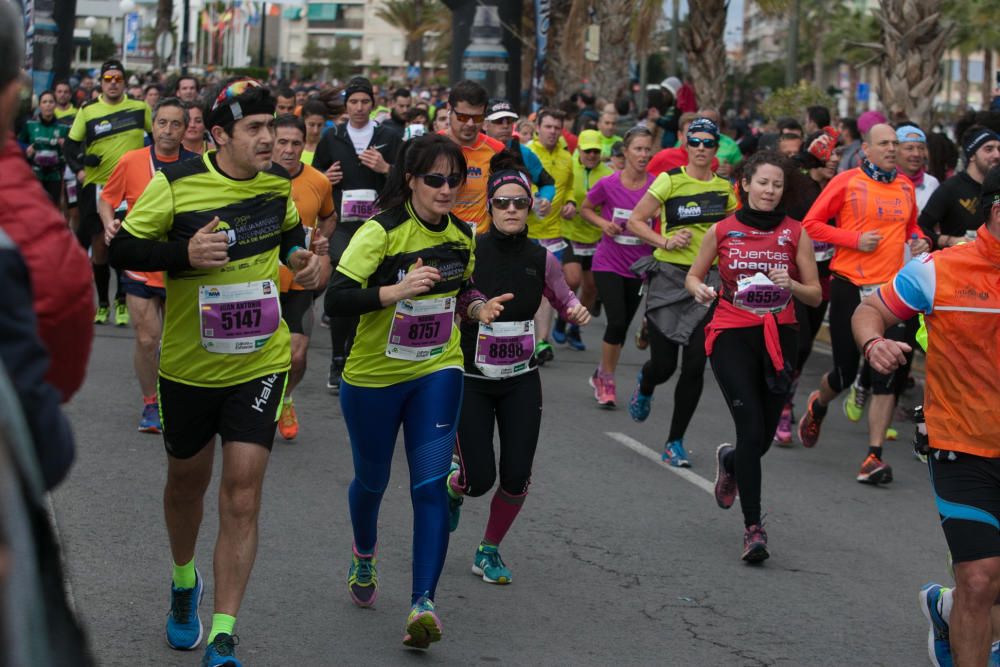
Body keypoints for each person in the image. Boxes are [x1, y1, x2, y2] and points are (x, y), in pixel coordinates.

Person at [108, 78, 323, 667]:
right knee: (186, 482)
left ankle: (225, 633)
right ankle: (184, 582)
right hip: (188, 368)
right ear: (221, 135)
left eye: (272, 127)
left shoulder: (280, 189)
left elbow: (292, 248)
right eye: (254, 129)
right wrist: (181, 256)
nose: (269, 139)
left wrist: (306, 265)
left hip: (259, 361)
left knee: (244, 490)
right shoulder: (174, 186)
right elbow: (121, 251)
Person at [325, 133, 510, 649]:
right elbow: (336, 300)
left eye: (456, 178)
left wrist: (475, 308)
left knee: (430, 485)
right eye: (435, 179)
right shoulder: (379, 234)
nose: (447, 188)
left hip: (437, 368)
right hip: (373, 379)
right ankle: (365, 552)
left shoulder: (462, 235)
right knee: (373, 481)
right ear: (410, 179)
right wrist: (395, 291)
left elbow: (464, 286)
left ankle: (421, 605)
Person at [852, 164, 1000, 667]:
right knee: (980, 577)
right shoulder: (940, 269)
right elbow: (870, 309)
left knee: (991, 587)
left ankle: (947, 609)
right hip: (962, 444)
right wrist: (874, 344)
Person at [447, 153, 589, 585]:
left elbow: (562, 295)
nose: (511, 210)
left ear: (530, 208)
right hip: (471, 378)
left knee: (516, 474)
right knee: (478, 478)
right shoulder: (469, 250)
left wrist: (575, 309)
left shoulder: (540, 258)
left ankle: (488, 551)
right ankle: (453, 488)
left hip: (520, 379)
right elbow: (447, 301)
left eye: (519, 203)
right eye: (503, 202)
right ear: (489, 206)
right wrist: (470, 311)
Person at [687, 151, 822, 561]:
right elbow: (694, 274)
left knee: (759, 439)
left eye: (777, 185)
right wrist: (698, 288)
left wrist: (791, 284)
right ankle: (753, 529)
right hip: (732, 332)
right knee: (749, 427)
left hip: (780, 336)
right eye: (763, 182)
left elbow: (815, 294)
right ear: (745, 183)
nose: (769, 191)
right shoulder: (723, 230)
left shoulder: (795, 233)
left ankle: (730, 461)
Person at [796, 123, 930, 483]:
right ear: (866, 150)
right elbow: (811, 224)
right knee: (842, 373)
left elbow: (911, 228)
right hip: (849, 286)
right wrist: (853, 238)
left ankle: (873, 457)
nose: (891, 149)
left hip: (891, 293)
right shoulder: (847, 181)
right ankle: (818, 404)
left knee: (887, 374)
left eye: (894, 144)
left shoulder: (904, 185)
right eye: (883, 143)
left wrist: (920, 241)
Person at [623, 117, 737, 467]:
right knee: (664, 365)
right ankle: (646, 382)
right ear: (686, 145)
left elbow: (737, 231)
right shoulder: (669, 181)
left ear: (716, 148)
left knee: (693, 366)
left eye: (708, 143)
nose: (701, 148)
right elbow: (635, 220)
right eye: (696, 141)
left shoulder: (725, 189)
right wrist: (665, 240)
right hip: (669, 279)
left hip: (708, 283)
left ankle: (675, 441)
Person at [97, 97, 198, 434]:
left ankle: (175, 397)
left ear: (186, 129)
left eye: (175, 124)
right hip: (141, 262)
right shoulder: (131, 160)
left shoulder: (197, 166)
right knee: (146, 339)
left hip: (180, 263)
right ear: (152, 126)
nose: (168, 130)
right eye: (162, 123)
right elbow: (107, 199)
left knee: (177, 341)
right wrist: (110, 223)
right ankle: (150, 404)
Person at [312, 76, 402, 395]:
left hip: (378, 225)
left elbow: (405, 178)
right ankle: (339, 357)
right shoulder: (332, 136)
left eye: (365, 102)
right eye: (354, 102)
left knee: (375, 289)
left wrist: (385, 168)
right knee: (344, 285)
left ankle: (366, 354)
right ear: (346, 105)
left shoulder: (390, 135)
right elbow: (316, 176)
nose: (360, 108)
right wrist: (325, 176)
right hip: (343, 225)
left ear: (373, 104)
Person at [64, 59, 152, 327]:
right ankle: (102, 302)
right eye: (108, 79)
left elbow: (158, 138)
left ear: (124, 82)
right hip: (99, 187)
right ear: (101, 83)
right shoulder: (88, 110)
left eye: (118, 79)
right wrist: (80, 168)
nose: (113, 83)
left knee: (124, 242)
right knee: (101, 245)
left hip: (133, 187)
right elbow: (70, 146)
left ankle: (122, 300)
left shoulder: (140, 108)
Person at [580, 126, 657, 408]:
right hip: (608, 262)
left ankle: (601, 371)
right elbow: (586, 208)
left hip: (639, 266)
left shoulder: (657, 185)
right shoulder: (609, 184)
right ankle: (608, 380)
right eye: (638, 148)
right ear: (625, 151)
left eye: (648, 149)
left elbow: (662, 218)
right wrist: (604, 224)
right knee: (616, 321)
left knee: (623, 326)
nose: (643, 154)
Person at [772, 131, 840, 446]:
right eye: (831, 153)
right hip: (797, 278)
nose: (837, 159)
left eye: (839, 154)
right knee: (796, 345)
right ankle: (782, 406)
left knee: (806, 347)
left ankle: (787, 395)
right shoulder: (800, 189)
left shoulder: (839, 187)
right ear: (815, 156)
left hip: (825, 279)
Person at [271, 114, 334, 441]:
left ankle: (284, 398)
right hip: (262, 282)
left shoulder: (319, 181)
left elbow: (329, 217)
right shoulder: (257, 178)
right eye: (282, 142)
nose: (289, 150)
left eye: (296, 143)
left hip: (299, 281)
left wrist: (321, 246)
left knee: (297, 354)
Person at [526, 108, 576, 364]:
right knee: (526, 289)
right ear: (538, 128)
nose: (553, 132)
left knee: (546, 290)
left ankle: (542, 341)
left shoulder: (568, 158)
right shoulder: (526, 152)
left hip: (554, 233)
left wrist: (570, 203)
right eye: (548, 126)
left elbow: (569, 189)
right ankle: (523, 339)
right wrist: (531, 199)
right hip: (526, 232)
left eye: (557, 127)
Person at [556, 129, 611, 352]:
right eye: (587, 150)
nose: (591, 155)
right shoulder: (569, 167)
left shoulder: (607, 174)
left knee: (592, 287)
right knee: (573, 279)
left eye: (596, 151)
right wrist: (562, 208)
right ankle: (561, 320)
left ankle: (575, 328)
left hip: (595, 237)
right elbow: (559, 193)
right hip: (569, 233)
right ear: (579, 149)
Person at [919, 126, 1000, 249]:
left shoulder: (996, 188)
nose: (997, 155)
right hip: (959, 263)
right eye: (989, 149)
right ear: (972, 155)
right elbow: (921, 227)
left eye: (999, 149)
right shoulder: (951, 188)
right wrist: (949, 240)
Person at [441, 80, 505, 233]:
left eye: (477, 118)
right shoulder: (431, 147)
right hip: (440, 240)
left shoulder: (497, 150)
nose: (470, 124)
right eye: (463, 117)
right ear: (449, 109)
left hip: (481, 241)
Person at [19, 90, 68, 204]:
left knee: (51, 209)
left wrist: (65, 145)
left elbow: (72, 149)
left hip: (55, 176)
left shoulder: (64, 127)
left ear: (55, 105)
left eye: (51, 102)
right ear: (39, 105)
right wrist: (26, 148)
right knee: (33, 207)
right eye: (44, 102)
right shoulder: (30, 124)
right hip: (35, 175)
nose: (48, 105)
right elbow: (18, 143)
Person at [646, 112, 721, 176]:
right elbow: (644, 180)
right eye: (690, 134)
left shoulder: (712, 162)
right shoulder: (664, 157)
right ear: (680, 136)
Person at [895, 124, 939, 212]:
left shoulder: (932, 184)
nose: (916, 154)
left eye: (921, 148)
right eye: (909, 148)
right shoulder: (885, 181)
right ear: (896, 151)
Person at [300, 99, 327, 165]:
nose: (316, 130)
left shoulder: (329, 147)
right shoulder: (294, 146)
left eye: (320, 125)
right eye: (311, 125)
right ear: (303, 122)